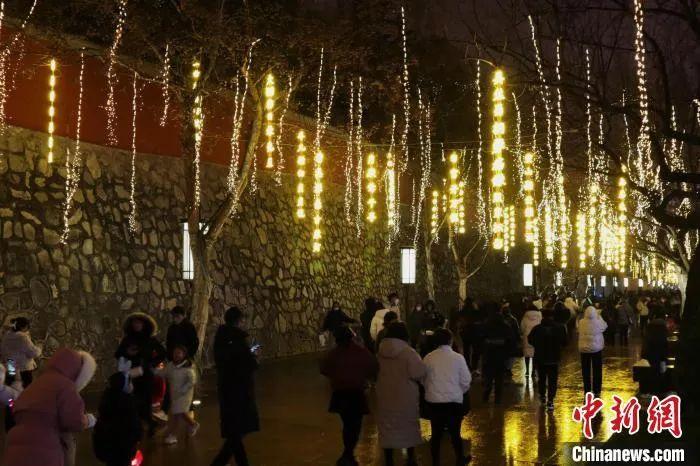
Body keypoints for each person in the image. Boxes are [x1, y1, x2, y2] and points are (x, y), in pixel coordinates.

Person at [2, 348, 97, 466]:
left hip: (15, 445)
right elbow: (74, 422)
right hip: (44, 447)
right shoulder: (66, 387)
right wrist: (89, 420)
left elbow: (16, 406)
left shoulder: (37, 383)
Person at [320, 326, 378, 466]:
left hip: (340, 394)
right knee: (355, 425)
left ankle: (347, 454)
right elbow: (373, 366)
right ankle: (348, 453)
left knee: (347, 424)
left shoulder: (334, 354)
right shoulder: (360, 351)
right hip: (356, 393)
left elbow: (324, 369)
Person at [211, 307, 259, 466]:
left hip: (226, 388)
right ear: (239, 320)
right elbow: (246, 364)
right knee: (238, 431)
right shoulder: (238, 339)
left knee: (235, 431)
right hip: (239, 390)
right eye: (243, 319)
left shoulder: (220, 337)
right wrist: (253, 358)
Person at [376, 322, 425, 466]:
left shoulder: (380, 353)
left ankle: (389, 460)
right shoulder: (409, 353)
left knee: (387, 425)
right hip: (405, 395)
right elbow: (418, 373)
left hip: (385, 394)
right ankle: (410, 458)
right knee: (408, 425)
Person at [422, 328, 472, 466]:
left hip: (434, 401)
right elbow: (466, 381)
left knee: (436, 434)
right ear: (451, 341)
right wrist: (458, 392)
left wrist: (432, 390)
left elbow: (423, 379)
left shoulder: (428, 358)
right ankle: (460, 459)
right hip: (453, 402)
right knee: (455, 433)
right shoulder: (458, 358)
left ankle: (435, 462)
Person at [114, 312, 166, 437]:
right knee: (133, 401)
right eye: (134, 322)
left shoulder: (150, 339)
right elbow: (118, 354)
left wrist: (151, 363)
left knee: (146, 401)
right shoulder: (127, 339)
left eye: (139, 322)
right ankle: (140, 426)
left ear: (144, 324)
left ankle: (149, 424)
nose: (136, 325)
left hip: (146, 374)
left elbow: (162, 353)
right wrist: (127, 353)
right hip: (131, 374)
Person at [93, 372, 142, 466]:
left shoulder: (106, 400)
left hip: (108, 447)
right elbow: (134, 425)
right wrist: (137, 437)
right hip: (124, 447)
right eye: (129, 382)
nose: (131, 385)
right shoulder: (128, 403)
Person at [156, 345, 199, 445]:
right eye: (175, 353)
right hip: (175, 394)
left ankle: (174, 435)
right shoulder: (171, 366)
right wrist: (154, 371)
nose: (176, 355)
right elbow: (164, 373)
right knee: (181, 413)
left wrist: (183, 390)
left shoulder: (188, 367)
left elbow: (192, 380)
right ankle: (193, 424)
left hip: (184, 395)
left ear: (184, 354)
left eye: (179, 353)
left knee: (178, 414)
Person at [528, 308, 568, 410]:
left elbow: (530, 340)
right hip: (554, 358)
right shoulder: (559, 328)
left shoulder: (537, 329)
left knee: (541, 378)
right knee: (552, 380)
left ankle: (542, 396)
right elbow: (564, 342)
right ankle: (550, 400)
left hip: (540, 358)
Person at [481, 303, 515, 404]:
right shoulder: (505, 325)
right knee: (499, 378)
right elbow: (511, 341)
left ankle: (485, 397)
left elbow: (481, 339)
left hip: (489, 355)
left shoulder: (486, 324)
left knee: (488, 377)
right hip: (501, 356)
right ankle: (498, 399)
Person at [1, 317, 42, 388]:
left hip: (10, 365)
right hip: (23, 368)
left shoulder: (7, 335)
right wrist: (40, 348)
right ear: (24, 326)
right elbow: (33, 353)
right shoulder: (23, 337)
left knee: (10, 388)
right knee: (25, 390)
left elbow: (3, 350)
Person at [578, 306, 607, 397]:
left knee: (585, 370)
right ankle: (597, 389)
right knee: (597, 370)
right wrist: (599, 317)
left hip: (584, 350)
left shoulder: (581, 322)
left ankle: (587, 389)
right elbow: (605, 326)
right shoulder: (598, 322)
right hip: (596, 349)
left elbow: (578, 329)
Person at [520, 305, 542, 378]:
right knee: (535, 355)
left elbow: (522, 327)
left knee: (527, 355)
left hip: (527, 337)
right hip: (537, 337)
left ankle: (527, 370)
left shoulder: (525, 317)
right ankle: (533, 371)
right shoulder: (539, 316)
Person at [501, 300, 521, 377]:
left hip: (503, 340)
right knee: (511, 355)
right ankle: (508, 369)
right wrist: (518, 338)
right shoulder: (513, 319)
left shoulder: (501, 319)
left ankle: (505, 368)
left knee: (504, 355)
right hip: (512, 339)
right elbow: (517, 330)